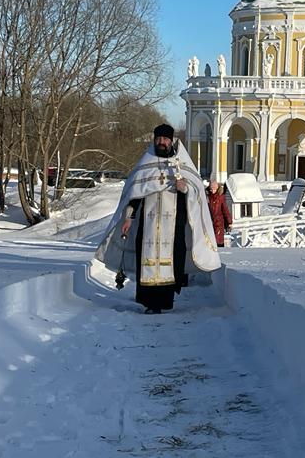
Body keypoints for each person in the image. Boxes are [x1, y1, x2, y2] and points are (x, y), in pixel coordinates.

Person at [95, 123, 220, 314]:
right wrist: (128, 218)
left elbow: (196, 194)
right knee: (147, 261)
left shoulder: (182, 164)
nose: (161, 142)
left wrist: (184, 188)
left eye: (165, 139)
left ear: (171, 141)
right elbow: (134, 194)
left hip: (174, 224)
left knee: (171, 262)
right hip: (148, 225)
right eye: (158, 139)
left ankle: (165, 300)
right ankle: (149, 302)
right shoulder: (146, 165)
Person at [206, 178, 232, 247]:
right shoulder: (207, 196)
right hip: (209, 221)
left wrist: (229, 222)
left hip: (219, 223)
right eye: (211, 189)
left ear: (217, 188)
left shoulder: (221, 197)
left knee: (218, 241)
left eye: (214, 189)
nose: (212, 191)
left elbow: (225, 210)